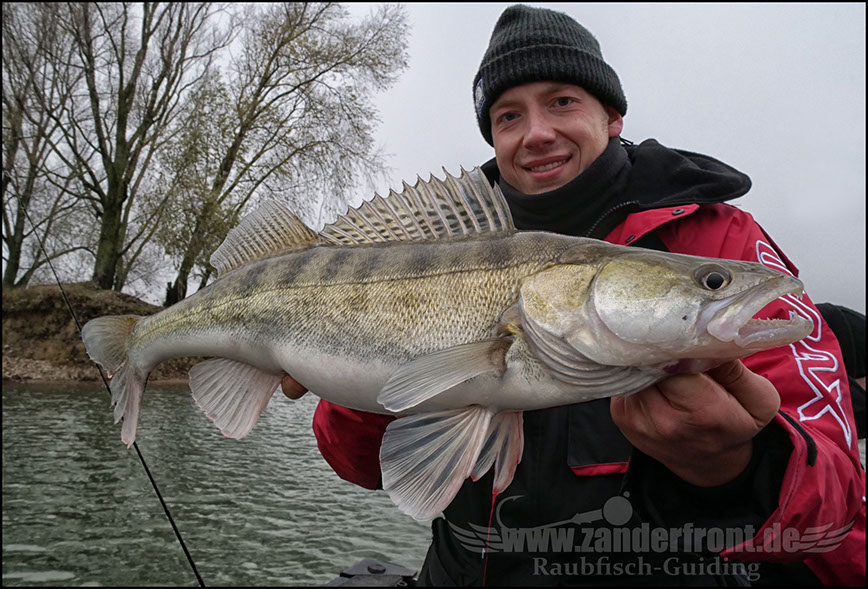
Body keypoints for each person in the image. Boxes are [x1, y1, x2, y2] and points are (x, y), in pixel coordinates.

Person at [281, 5, 865, 585]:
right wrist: (354, 369)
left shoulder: (720, 239)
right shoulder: (425, 249)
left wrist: (740, 466)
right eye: (509, 116)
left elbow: (837, 508)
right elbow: (357, 464)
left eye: (562, 101)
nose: (536, 133)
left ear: (611, 114)